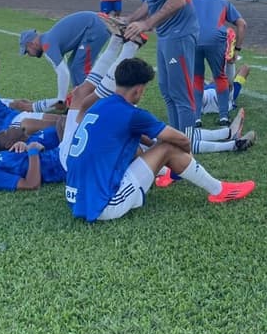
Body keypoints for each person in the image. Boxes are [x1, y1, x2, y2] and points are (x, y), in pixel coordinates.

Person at [65, 57, 255, 222]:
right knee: (168, 148)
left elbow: (137, 138)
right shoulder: (133, 114)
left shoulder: (101, 105)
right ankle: (219, 190)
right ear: (138, 90)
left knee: (135, 147)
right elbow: (179, 139)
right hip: (104, 205)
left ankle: (169, 172)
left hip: (74, 196)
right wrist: (186, 153)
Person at [98, 0, 199, 134]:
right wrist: (129, 19)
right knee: (167, 91)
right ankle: (177, 138)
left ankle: (186, 145)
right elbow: (153, 0)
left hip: (179, 33)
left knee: (181, 94)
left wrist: (146, 24)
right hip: (167, 33)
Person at [19, 12, 113, 103]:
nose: (29, 55)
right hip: (96, 23)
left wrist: (60, 100)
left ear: (31, 44)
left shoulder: (47, 45)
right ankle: (81, 100)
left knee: (79, 68)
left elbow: (63, 73)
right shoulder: (48, 39)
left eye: (27, 51)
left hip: (96, 26)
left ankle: (92, 101)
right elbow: (66, 69)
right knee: (73, 66)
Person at [191, 0, 248, 129]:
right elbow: (242, 24)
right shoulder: (223, 2)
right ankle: (223, 116)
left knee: (197, 78)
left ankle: (196, 118)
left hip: (194, 39)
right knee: (220, 76)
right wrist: (237, 49)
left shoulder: (191, 2)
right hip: (216, 39)